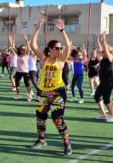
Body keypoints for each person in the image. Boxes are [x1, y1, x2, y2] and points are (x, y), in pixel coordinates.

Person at [30, 19, 72, 155]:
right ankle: (41, 140)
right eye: (57, 48)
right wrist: (37, 29)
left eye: (61, 48)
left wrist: (62, 30)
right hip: (42, 93)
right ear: (50, 50)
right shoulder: (43, 58)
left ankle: (66, 143)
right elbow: (33, 44)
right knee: (40, 118)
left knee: (57, 118)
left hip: (58, 93)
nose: (60, 50)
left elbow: (69, 46)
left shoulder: (61, 60)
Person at [94, 32, 113, 122]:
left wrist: (104, 40)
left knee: (106, 99)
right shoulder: (103, 58)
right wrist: (98, 40)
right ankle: (103, 114)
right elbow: (101, 49)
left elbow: (106, 50)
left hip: (109, 81)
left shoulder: (110, 57)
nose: (102, 51)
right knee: (97, 96)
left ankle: (112, 115)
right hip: (103, 81)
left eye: (104, 50)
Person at [11, 34, 33, 101]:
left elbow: (28, 48)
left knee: (27, 84)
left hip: (26, 72)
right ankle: (18, 95)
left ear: (25, 49)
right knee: (17, 84)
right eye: (21, 49)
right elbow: (13, 47)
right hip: (18, 72)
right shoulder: (18, 54)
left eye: (23, 49)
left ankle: (29, 95)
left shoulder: (27, 54)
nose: (22, 50)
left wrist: (26, 41)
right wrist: (13, 39)